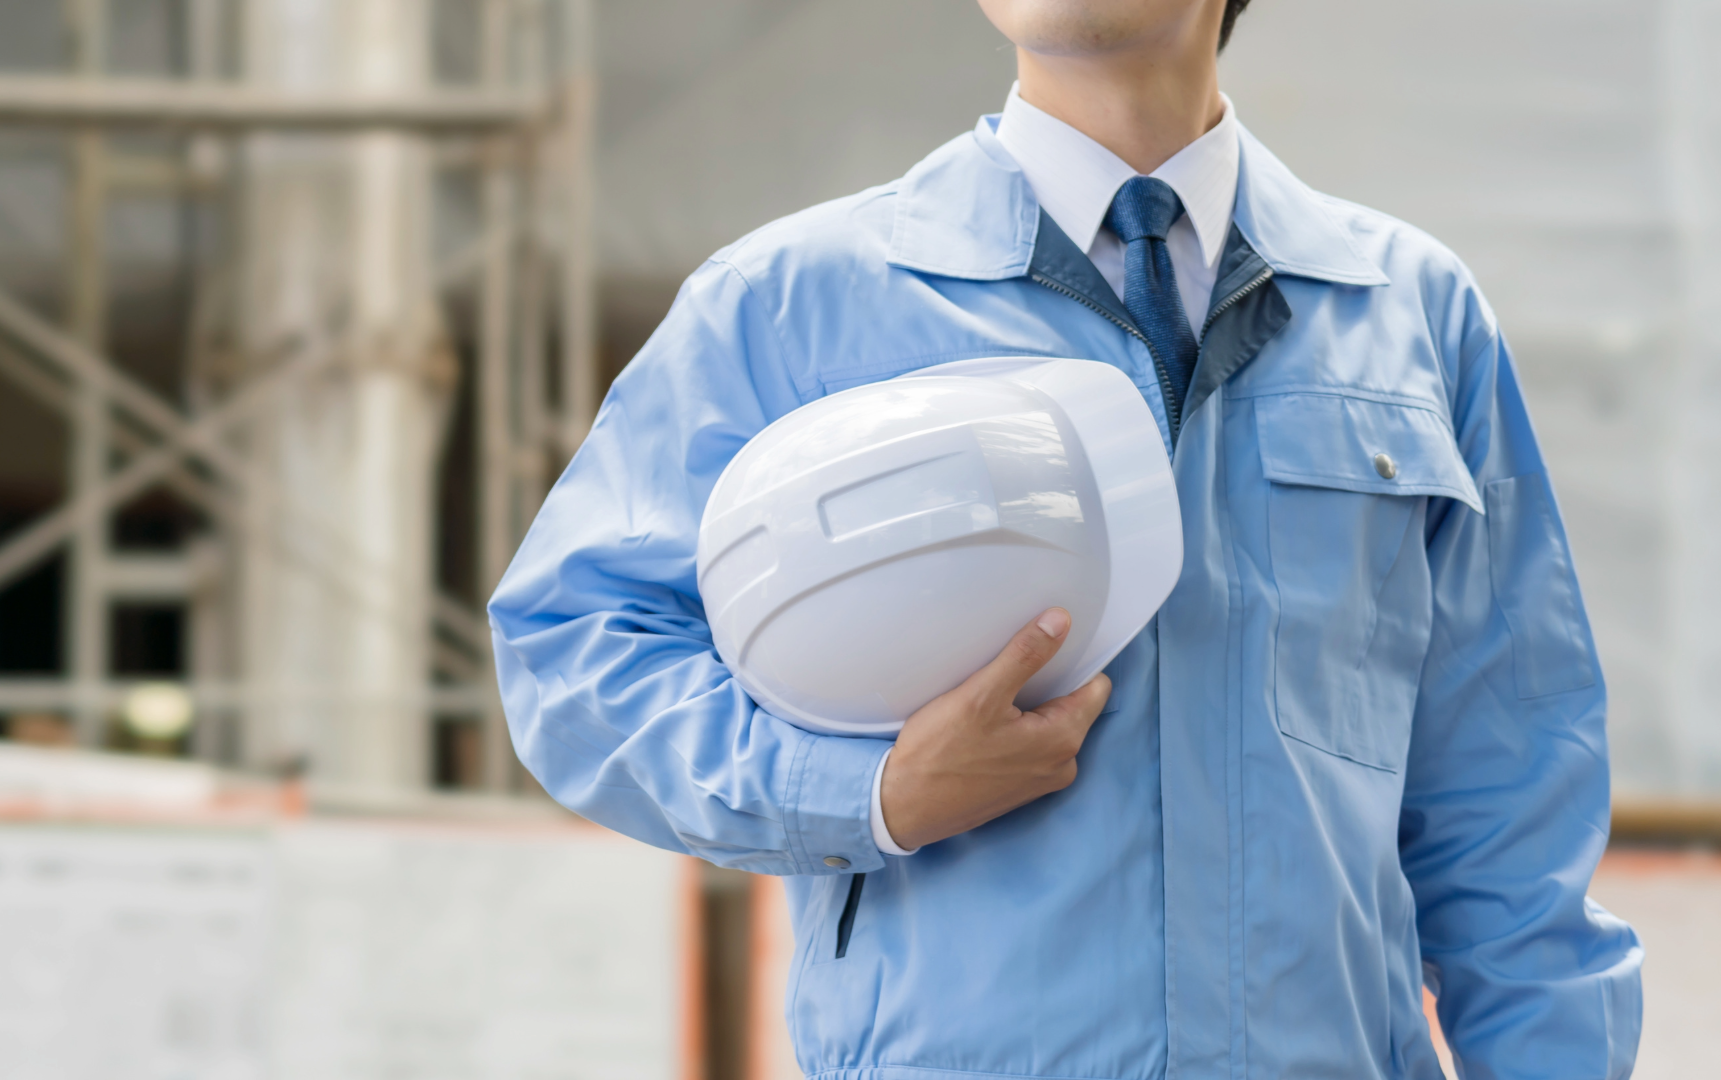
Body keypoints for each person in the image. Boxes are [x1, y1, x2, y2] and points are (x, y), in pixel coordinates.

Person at [489, 1, 1644, 1076]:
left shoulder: (1410, 317)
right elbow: (571, 645)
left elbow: (1511, 809)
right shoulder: (790, 306)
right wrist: (872, 795)